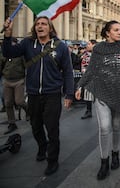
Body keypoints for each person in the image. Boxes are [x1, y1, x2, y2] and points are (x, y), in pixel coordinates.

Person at [2, 16, 74, 176]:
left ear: (50, 28)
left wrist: (69, 94)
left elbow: (68, 72)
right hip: (33, 94)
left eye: (43, 24)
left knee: (52, 128)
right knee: (35, 126)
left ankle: (52, 160)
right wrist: (7, 34)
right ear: (34, 28)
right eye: (37, 24)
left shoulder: (60, 46)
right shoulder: (27, 44)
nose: (40, 26)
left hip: (53, 94)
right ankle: (42, 146)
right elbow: (8, 52)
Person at [75, 20, 120, 180]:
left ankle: (115, 153)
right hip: (101, 91)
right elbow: (92, 70)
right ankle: (104, 162)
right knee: (104, 127)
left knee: (115, 126)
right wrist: (80, 86)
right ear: (107, 32)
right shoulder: (98, 49)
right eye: (116, 30)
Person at [1, 38, 27, 134]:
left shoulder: (20, 55)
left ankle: (28, 111)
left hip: (19, 80)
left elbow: (27, 65)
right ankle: (12, 123)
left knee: (19, 101)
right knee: (8, 103)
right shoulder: (5, 54)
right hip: (7, 80)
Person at [80, 39, 97, 119]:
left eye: (89, 44)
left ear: (94, 45)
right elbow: (83, 65)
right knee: (87, 95)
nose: (87, 45)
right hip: (88, 77)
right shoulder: (85, 55)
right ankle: (88, 110)